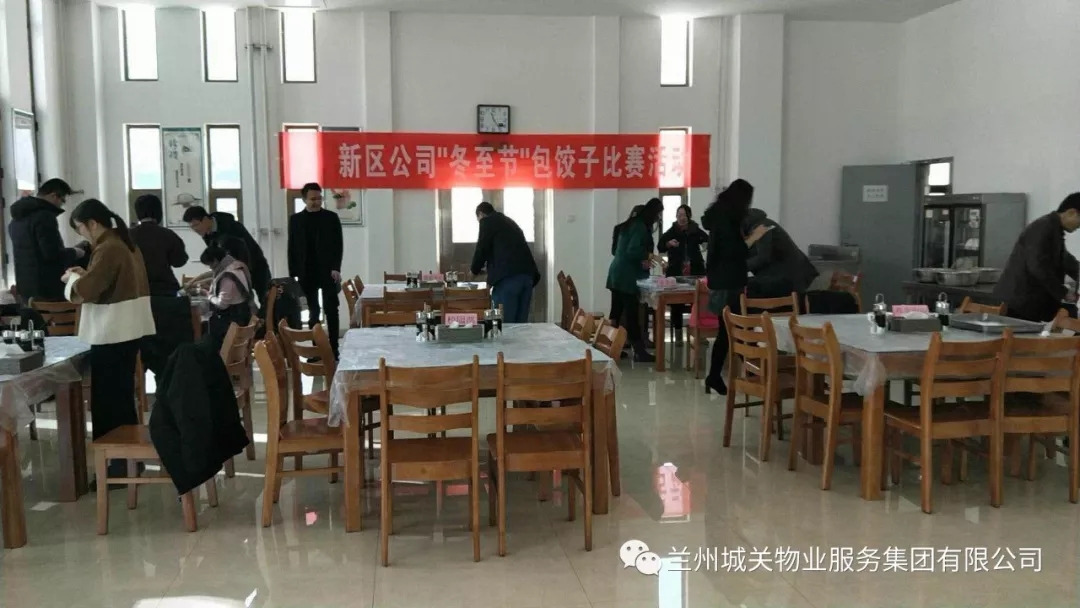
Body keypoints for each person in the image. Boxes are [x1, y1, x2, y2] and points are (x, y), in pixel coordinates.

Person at [61, 199, 155, 478]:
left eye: (80, 228)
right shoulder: (123, 242)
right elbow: (106, 282)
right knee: (120, 399)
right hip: (125, 330)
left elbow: (88, 291)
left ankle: (118, 465)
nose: (81, 234)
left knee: (108, 404)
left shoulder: (108, 247)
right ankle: (127, 462)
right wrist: (85, 275)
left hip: (112, 332)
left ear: (93, 223)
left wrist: (72, 280)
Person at [701, 180, 772, 394]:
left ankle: (721, 375)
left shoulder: (718, 216)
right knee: (733, 329)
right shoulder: (727, 220)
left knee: (729, 330)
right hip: (729, 282)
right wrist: (755, 237)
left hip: (721, 280)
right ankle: (742, 373)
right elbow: (736, 251)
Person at [993, 193, 1080, 322]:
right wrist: (1063, 292)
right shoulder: (1043, 228)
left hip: (1027, 302)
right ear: (1071, 212)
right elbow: (1038, 267)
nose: (1079, 226)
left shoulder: (1053, 229)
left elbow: (1065, 260)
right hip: (1020, 301)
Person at [8, 178, 89, 302]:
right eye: (62, 200)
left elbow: (34, 254)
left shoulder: (16, 220)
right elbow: (52, 254)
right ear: (53, 196)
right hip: (47, 291)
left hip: (26, 291)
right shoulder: (44, 216)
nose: (61, 205)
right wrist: (76, 252)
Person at [288, 183, 344, 358]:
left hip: (328, 271)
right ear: (304, 199)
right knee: (313, 311)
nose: (317, 202)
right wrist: (293, 274)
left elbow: (338, 245)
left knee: (331, 309)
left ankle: (333, 348)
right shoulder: (296, 220)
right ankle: (316, 349)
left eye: (319, 198)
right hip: (306, 272)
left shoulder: (331, 218)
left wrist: (336, 268)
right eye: (313, 199)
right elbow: (292, 247)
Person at [606, 198, 664, 362]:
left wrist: (644, 260)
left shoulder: (629, 225)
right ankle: (639, 351)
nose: (658, 219)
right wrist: (651, 256)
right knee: (631, 314)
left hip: (617, 273)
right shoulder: (639, 227)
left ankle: (610, 347)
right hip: (626, 276)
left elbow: (627, 250)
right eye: (658, 215)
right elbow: (632, 251)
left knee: (616, 312)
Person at [183, 206, 270, 307]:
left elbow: (228, 265)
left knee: (265, 301)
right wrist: (194, 282)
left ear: (205, 219)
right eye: (192, 227)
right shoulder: (207, 233)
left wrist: (197, 282)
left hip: (255, 267)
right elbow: (218, 263)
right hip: (235, 270)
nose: (195, 230)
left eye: (196, 225)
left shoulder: (231, 228)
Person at [470, 202, 541, 323]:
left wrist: (473, 271)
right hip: (527, 277)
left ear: (481, 214)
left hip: (508, 280)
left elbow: (482, 248)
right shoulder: (508, 221)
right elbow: (507, 251)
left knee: (504, 325)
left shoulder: (487, 221)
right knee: (520, 326)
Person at [741, 208, 819, 300]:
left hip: (788, 279)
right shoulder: (755, 228)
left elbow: (763, 258)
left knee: (739, 290)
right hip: (784, 277)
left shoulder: (763, 227)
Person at [658, 204, 708, 339]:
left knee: (698, 302)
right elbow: (660, 246)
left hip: (695, 271)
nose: (681, 218)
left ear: (688, 216)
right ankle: (678, 333)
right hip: (676, 272)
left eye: (684, 215)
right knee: (677, 304)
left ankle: (699, 333)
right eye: (679, 215)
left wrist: (704, 243)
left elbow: (707, 239)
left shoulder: (695, 229)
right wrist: (669, 244)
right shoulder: (672, 231)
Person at [130, 194, 188, 296]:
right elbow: (179, 262)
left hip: (135, 290)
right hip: (165, 290)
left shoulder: (127, 235)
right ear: (159, 212)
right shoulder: (168, 235)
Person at [200, 244, 257, 348]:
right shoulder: (236, 265)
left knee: (203, 328)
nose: (210, 268)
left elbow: (222, 304)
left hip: (232, 319)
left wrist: (209, 295)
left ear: (215, 261)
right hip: (244, 313)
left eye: (209, 264)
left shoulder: (228, 276)